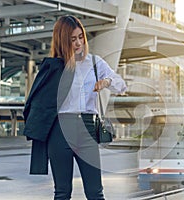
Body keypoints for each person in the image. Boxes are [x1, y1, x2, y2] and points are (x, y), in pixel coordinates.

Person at [23, 15, 126, 200]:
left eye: (80, 37)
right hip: (60, 130)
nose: (78, 43)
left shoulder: (94, 63)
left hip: (87, 129)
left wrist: (106, 82)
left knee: (95, 192)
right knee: (62, 193)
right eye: (72, 39)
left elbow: (121, 84)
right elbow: (38, 102)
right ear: (62, 40)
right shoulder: (53, 67)